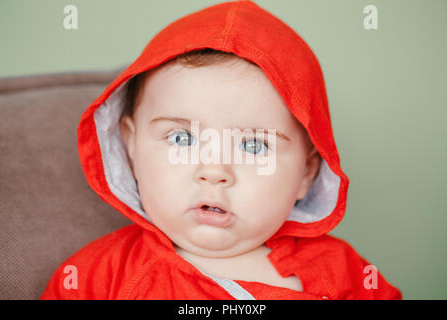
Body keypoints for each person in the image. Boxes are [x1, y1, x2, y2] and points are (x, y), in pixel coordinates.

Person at [41, 0, 402, 299]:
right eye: (182, 139)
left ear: (306, 174)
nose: (214, 171)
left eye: (253, 145)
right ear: (131, 147)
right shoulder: (96, 279)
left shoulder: (346, 275)